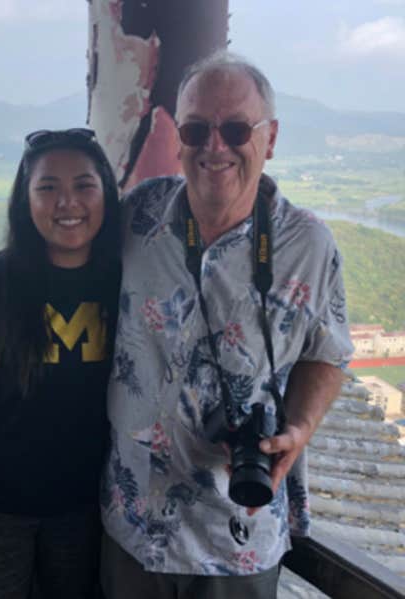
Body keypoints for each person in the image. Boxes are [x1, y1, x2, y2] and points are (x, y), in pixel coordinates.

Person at [98, 52, 353, 599]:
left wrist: (302, 425)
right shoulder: (139, 215)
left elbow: (328, 353)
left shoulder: (307, 245)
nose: (215, 146)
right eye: (196, 129)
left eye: (236, 127)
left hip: (239, 534)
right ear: (180, 138)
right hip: (132, 524)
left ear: (272, 136)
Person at [0, 128, 122, 598]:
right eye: (48, 187)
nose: (67, 202)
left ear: (106, 194)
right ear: (25, 201)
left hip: (86, 510)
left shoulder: (124, 282)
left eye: (84, 186)